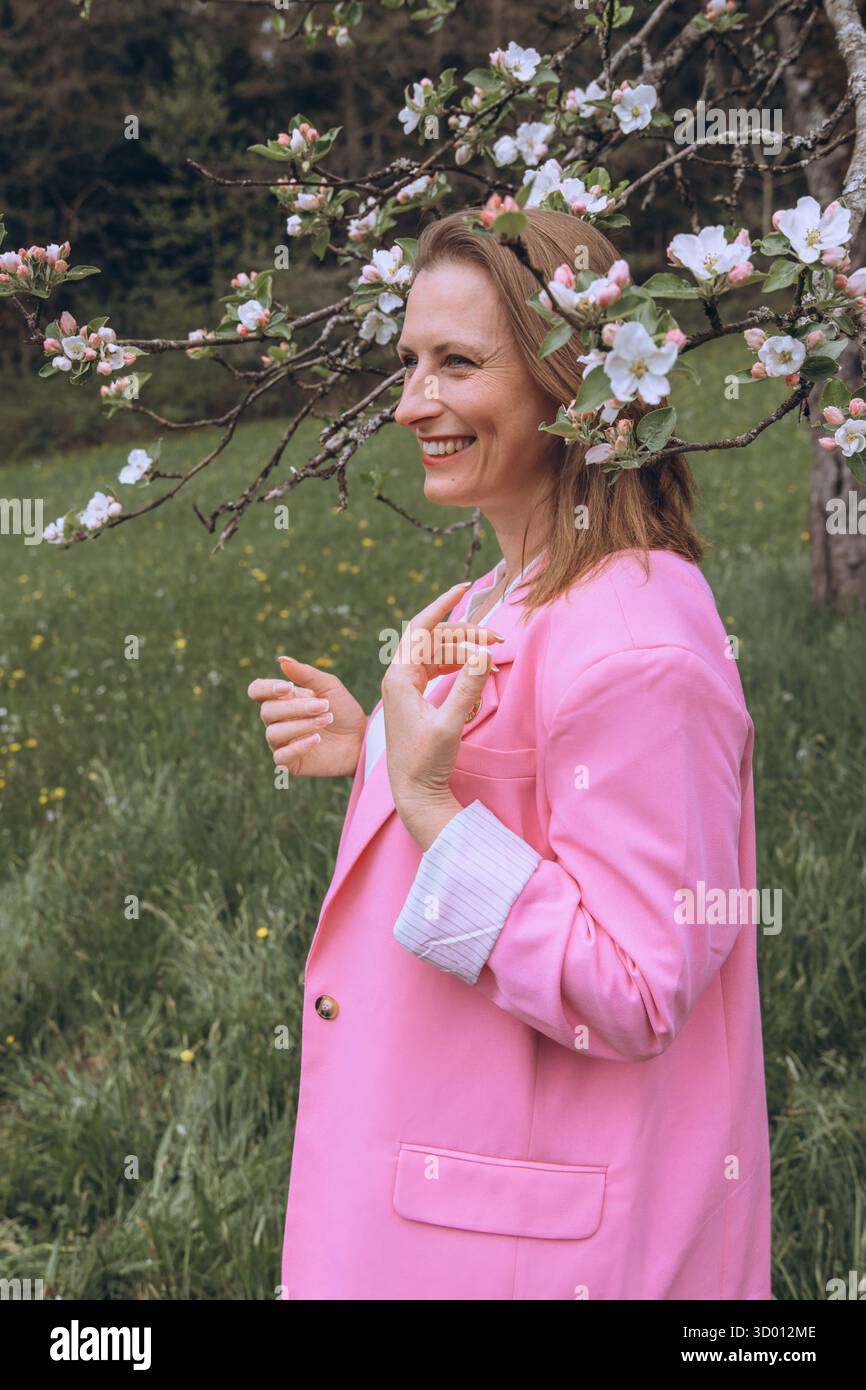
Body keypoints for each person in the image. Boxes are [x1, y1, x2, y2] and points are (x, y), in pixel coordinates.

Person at [247, 207, 772, 1300]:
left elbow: (631, 986)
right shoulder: (500, 593)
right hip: (441, 1222)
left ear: (568, 382)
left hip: (533, 1256)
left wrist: (430, 802)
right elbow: (533, 793)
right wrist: (377, 756)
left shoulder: (634, 644)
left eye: (456, 364)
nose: (409, 404)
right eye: (407, 363)